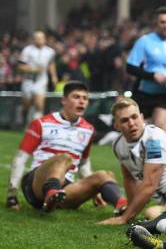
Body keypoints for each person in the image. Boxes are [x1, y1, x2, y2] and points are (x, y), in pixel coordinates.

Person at [5, 82, 126, 213]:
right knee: (65, 158)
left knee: (104, 175)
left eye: (85, 98)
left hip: (66, 187)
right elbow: (21, 158)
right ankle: (51, 192)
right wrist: (12, 195)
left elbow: (84, 163)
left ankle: (123, 206)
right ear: (63, 100)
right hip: (36, 183)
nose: (82, 102)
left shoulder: (88, 129)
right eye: (76, 97)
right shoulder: (41, 123)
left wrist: (94, 190)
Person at [126, 6, 166, 131]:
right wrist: (152, 76)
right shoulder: (144, 41)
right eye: (162, 22)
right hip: (144, 94)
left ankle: (163, 150)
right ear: (156, 23)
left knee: (160, 127)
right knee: (140, 131)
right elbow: (130, 67)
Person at [18, 31, 58, 124]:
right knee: (26, 105)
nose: (39, 40)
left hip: (41, 80)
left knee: (39, 105)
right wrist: (34, 69)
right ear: (33, 39)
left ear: (44, 39)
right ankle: (24, 116)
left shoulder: (50, 51)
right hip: (28, 80)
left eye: (41, 38)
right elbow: (20, 67)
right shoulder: (27, 50)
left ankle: (36, 126)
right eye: (37, 38)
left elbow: (51, 64)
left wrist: (53, 76)